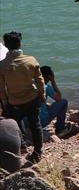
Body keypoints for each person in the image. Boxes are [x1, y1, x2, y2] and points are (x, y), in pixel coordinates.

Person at [0, 32, 46, 160]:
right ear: (20, 44)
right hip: (32, 98)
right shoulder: (31, 60)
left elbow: (2, 89)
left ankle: (22, 146)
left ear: (6, 46)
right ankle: (37, 153)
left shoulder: (2, 66)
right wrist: (42, 94)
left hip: (14, 102)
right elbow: (40, 80)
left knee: (15, 123)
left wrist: (4, 103)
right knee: (35, 125)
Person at [39, 66, 69, 138]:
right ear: (50, 76)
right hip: (41, 121)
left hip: (29, 121)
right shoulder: (45, 87)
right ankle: (60, 129)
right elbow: (59, 98)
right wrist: (53, 81)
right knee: (64, 102)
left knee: (45, 105)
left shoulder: (32, 85)